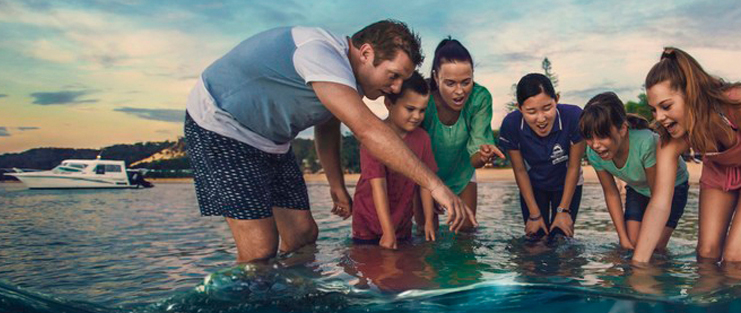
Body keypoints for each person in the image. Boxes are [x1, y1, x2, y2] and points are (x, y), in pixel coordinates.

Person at [184, 20, 474, 263]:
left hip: (270, 142)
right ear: (366, 53)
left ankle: (289, 300)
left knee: (303, 235)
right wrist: (435, 185)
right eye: (393, 75)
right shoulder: (320, 54)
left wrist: (336, 185)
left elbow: (327, 124)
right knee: (260, 249)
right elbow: (367, 130)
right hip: (220, 127)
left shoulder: (342, 79)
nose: (396, 88)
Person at [637, 47, 741, 264]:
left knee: (735, 258)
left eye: (666, 106)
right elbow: (659, 204)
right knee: (706, 253)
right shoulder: (671, 137)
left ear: (691, 94)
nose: (660, 117)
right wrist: (638, 265)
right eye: (654, 110)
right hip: (719, 169)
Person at [580, 92, 690, 251]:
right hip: (637, 188)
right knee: (630, 245)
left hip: (671, 189)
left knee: (653, 247)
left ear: (623, 129)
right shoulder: (594, 153)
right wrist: (622, 238)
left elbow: (657, 197)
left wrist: (648, 239)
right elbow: (611, 193)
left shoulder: (646, 144)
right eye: (589, 137)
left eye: (603, 136)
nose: (595, 145)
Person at [419, 38, 504, 230]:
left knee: (467, 232)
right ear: (435, 77)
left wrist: (483, 156)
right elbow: (414, 148)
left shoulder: (480, 97)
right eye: (450, 83)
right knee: (424, 234)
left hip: (463, 170)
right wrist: (430, 185)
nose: (459, 92)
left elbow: (475, 158)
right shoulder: (422, 97)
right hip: (424, 173)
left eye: (466, 82)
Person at [351, 73, 437, 248]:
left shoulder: (422, 139)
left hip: (402, 224)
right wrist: (388, 232)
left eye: (422, 110)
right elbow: (378, 186)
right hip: (367, 223)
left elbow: (426, 183)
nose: (416, 116)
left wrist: (427, 221)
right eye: (410, 109)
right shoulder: (374, 137)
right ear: (389, 104)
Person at [498, 73, 584, 240]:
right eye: (531, 111)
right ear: (519, 108)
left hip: (566, 183)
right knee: (535, 240)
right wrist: (535, 215)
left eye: (547, 108)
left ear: (557, 100)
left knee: (562, 239)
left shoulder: (574, 117)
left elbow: (574, 167)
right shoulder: (511, 124)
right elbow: (520, 170)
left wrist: (563, 210)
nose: (541, 118)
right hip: (533, 186)